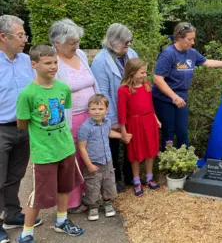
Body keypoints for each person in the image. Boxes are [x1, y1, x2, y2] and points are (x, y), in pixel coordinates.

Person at [16, 44, 84, 243]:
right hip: (44, 153)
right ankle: (27, 232)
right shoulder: (27, 94)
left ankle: (62, 221)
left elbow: (65, 116)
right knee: (39, 194)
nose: (53, 66)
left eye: (55, 62)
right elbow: (22, 124)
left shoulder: (63, 88)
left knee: (64, 187)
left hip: (65, 148)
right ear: (34, 64)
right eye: (47, 63)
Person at [152, 22, 222, 152]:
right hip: (165, 99)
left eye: (193, 39)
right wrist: (174, 97)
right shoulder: (168, 54)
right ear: (179, 38)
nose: (193, 42)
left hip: (181, 99)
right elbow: (157, 78)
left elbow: (207, 62)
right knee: (168, 133)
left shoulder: (191, 53)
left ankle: (184, 163)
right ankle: (168, 166)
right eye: (190, 39)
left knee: (183, 133)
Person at [49, 18, 100, 214]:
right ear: (57, 42)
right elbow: (50, 94)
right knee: (71, 161)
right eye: (72, 43)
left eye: (77, 41)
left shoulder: (79, 54)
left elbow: (91, 81)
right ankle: (72, 202)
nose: (76, 46)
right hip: (69, 120)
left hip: (90, 116)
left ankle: (91, 196)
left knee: (89, 157)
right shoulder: (53, 61)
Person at [0, 15, 42, 243]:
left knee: (15, 175)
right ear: (3, 37)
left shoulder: (27, 61)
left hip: (24, 129)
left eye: (24, 34)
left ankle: (12, 214)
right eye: (20, 35)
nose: (25, 39)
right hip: (1, 128)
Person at [91, 23, 137, 192]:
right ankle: (115, 179)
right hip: (113, 112)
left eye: (129, 41)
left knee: (131, 143)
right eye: (125, 42)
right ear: (113, 41)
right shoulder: (100, 62)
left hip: (131, 110)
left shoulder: (130, 54)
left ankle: (131, 176)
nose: (128, 45)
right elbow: (103, 94)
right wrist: (113, 119)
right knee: (113, 147)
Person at [78, 94, 131, 221]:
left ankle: (107, 203)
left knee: (108, 182)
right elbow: (82, 147)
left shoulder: (107, 122)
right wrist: (89, 165)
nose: (97, 112)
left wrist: (121, 136)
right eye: (93, 109)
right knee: (93, 185)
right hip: (93, 162)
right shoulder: (85, 127)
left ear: (106, 110)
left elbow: (108, 133)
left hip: (107, 160)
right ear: (88, 110)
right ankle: (93, 206)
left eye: (100, 109)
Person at [118, 58, 161, 197]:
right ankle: (136, 180)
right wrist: (123, 131)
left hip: (149, 121)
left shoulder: (146, 85)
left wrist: (156, 118)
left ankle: (149, 177)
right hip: (134, 124)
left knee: (150, 149)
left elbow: (150, 105)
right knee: (135, 152)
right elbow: (122, 113)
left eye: (145, 72)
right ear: (132, 72)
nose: (144, 75)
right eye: (142, 72)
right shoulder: (123, 90)